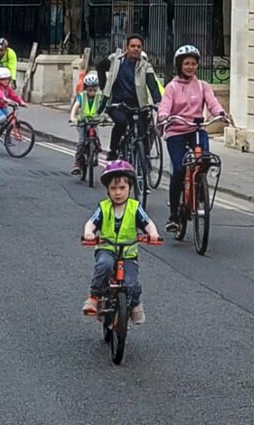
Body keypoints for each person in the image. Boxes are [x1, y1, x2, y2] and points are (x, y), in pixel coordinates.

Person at [156, 45, 230, 234]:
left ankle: (199, 190)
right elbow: (164, 106)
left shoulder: (202, 86)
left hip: (197, 129)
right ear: (179, 65)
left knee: (204, 160)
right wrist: (164, 116)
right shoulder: (172, 87)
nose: (190, 67)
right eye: (186, 63)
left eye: (193, 63)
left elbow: (212, 103)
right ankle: (174, 215)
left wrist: (221, 113)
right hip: (177, 131)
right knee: (179, 169)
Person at [81, 160, 160, 324]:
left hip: (128, 252)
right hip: (107, 248)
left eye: (122, 188)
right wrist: (89, 233)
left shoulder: (134, 207)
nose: (118, 192)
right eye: (113, 188)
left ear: (130, 188)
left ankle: (136, 305)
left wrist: (153, 234)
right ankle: (94, 296)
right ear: (108, 191)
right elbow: (91, 222)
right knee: (104, 265)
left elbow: (147, 222)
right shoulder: (104, 207)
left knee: (132, 282)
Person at [97, 34, 163, 161]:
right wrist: (104, 86)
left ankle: (144, 162)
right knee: (121, 123)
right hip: (117, 105)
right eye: (133, 46)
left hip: (137, 106)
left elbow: (152, 84)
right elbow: (100, 67)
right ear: (126, 48)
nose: (136, 49)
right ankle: (113, 150)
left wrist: (158, 102)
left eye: (139, 46)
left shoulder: (145, 66)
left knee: (144, 132)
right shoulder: (115, 60)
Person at [68, 72, 104, 176]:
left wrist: (105, 117)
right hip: (82, 122)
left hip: (94, 121)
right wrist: (72, 118)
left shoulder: (99, 96)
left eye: (94, 89)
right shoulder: (81, 96)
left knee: (96, 135)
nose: (92, 92)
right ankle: (77, 163)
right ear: (86, 88)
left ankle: (96, 147)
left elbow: (104, 107)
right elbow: (76, 106)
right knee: (81, 142)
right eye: (90, 89)